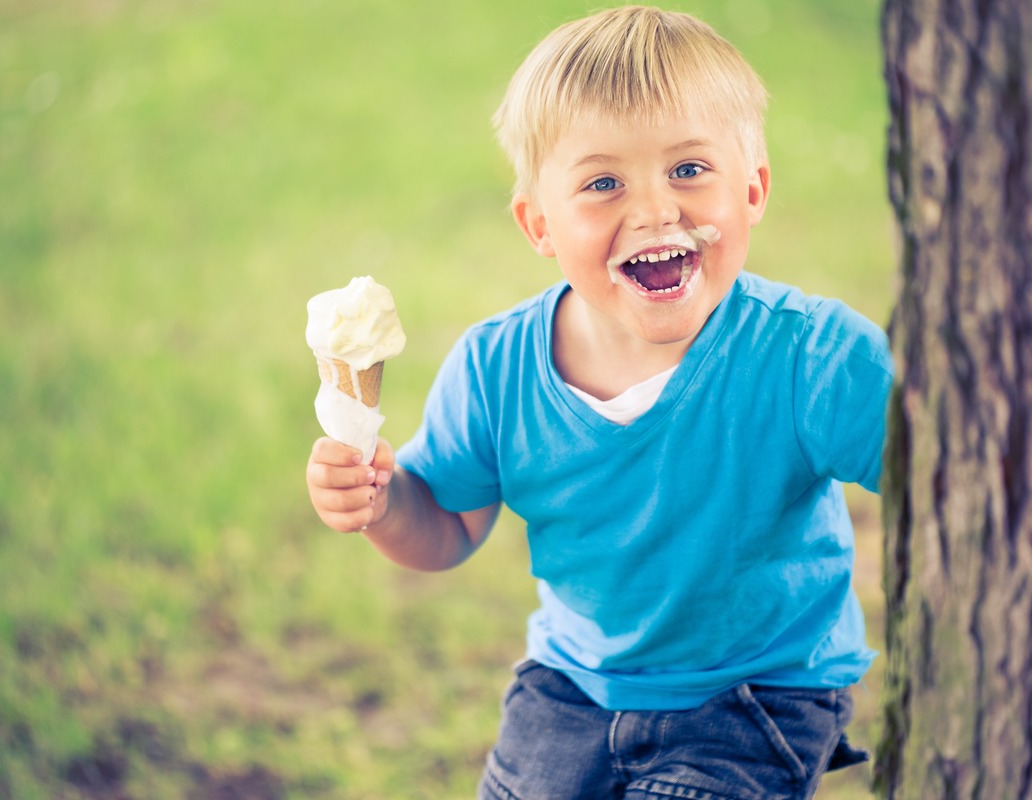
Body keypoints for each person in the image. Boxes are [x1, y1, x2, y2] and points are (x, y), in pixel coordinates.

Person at [306, 6, 893, 798]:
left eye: (689, 170)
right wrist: (379, 502)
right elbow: (444, 526)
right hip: (570, 688)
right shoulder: (497, 369)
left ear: (752, 189)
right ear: (539, 223)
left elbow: (949, 472)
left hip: (755, 695)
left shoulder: (810, 357)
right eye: (604, 182)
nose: (653, 209)